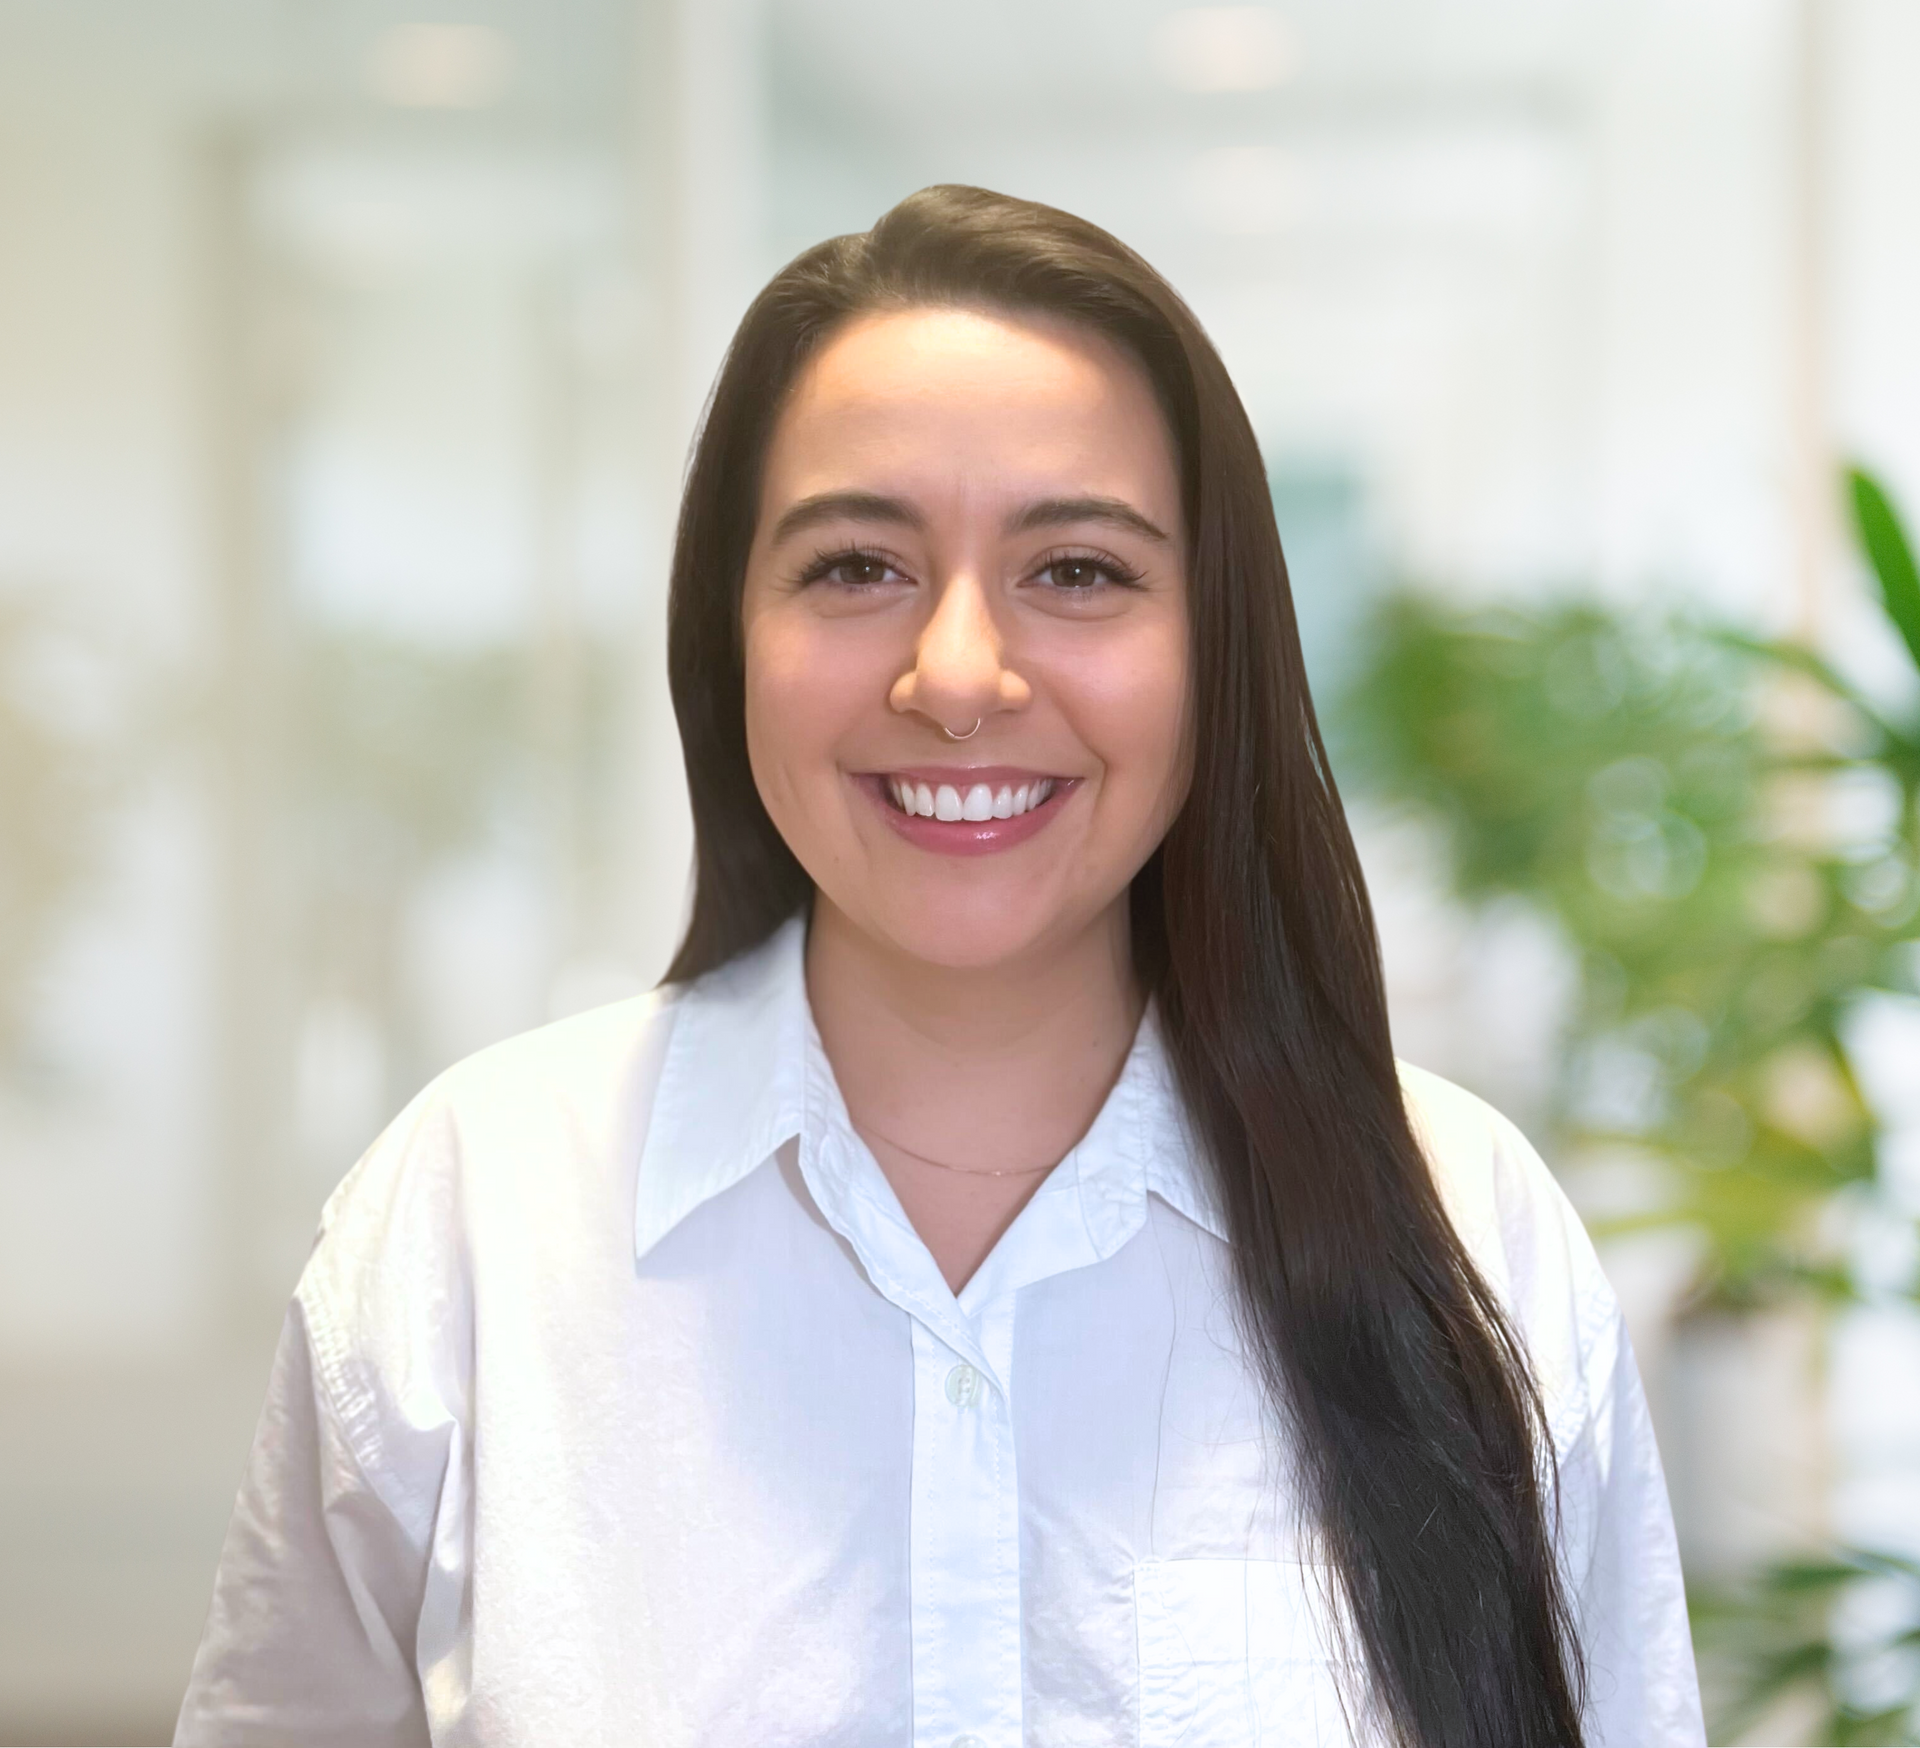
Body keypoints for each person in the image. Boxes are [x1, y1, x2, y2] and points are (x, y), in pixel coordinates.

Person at [175, 185, 1705, 1748]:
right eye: (856, 567)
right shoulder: (475, 1215)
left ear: (1215, 645)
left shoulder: (1467, 1222)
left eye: (1080, 572)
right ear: (731, 639)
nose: (958, 675)